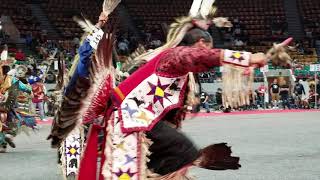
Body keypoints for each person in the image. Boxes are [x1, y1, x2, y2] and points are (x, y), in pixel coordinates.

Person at [48, 0, 292, 179]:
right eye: (204, 48)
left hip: (133, 120)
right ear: (199, 45)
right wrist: (252, 58)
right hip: (116, 119)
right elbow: (88, 55)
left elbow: (167, 116)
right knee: (93, 164)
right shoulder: (173, 57)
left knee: (173, 155)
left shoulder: (177, 73)